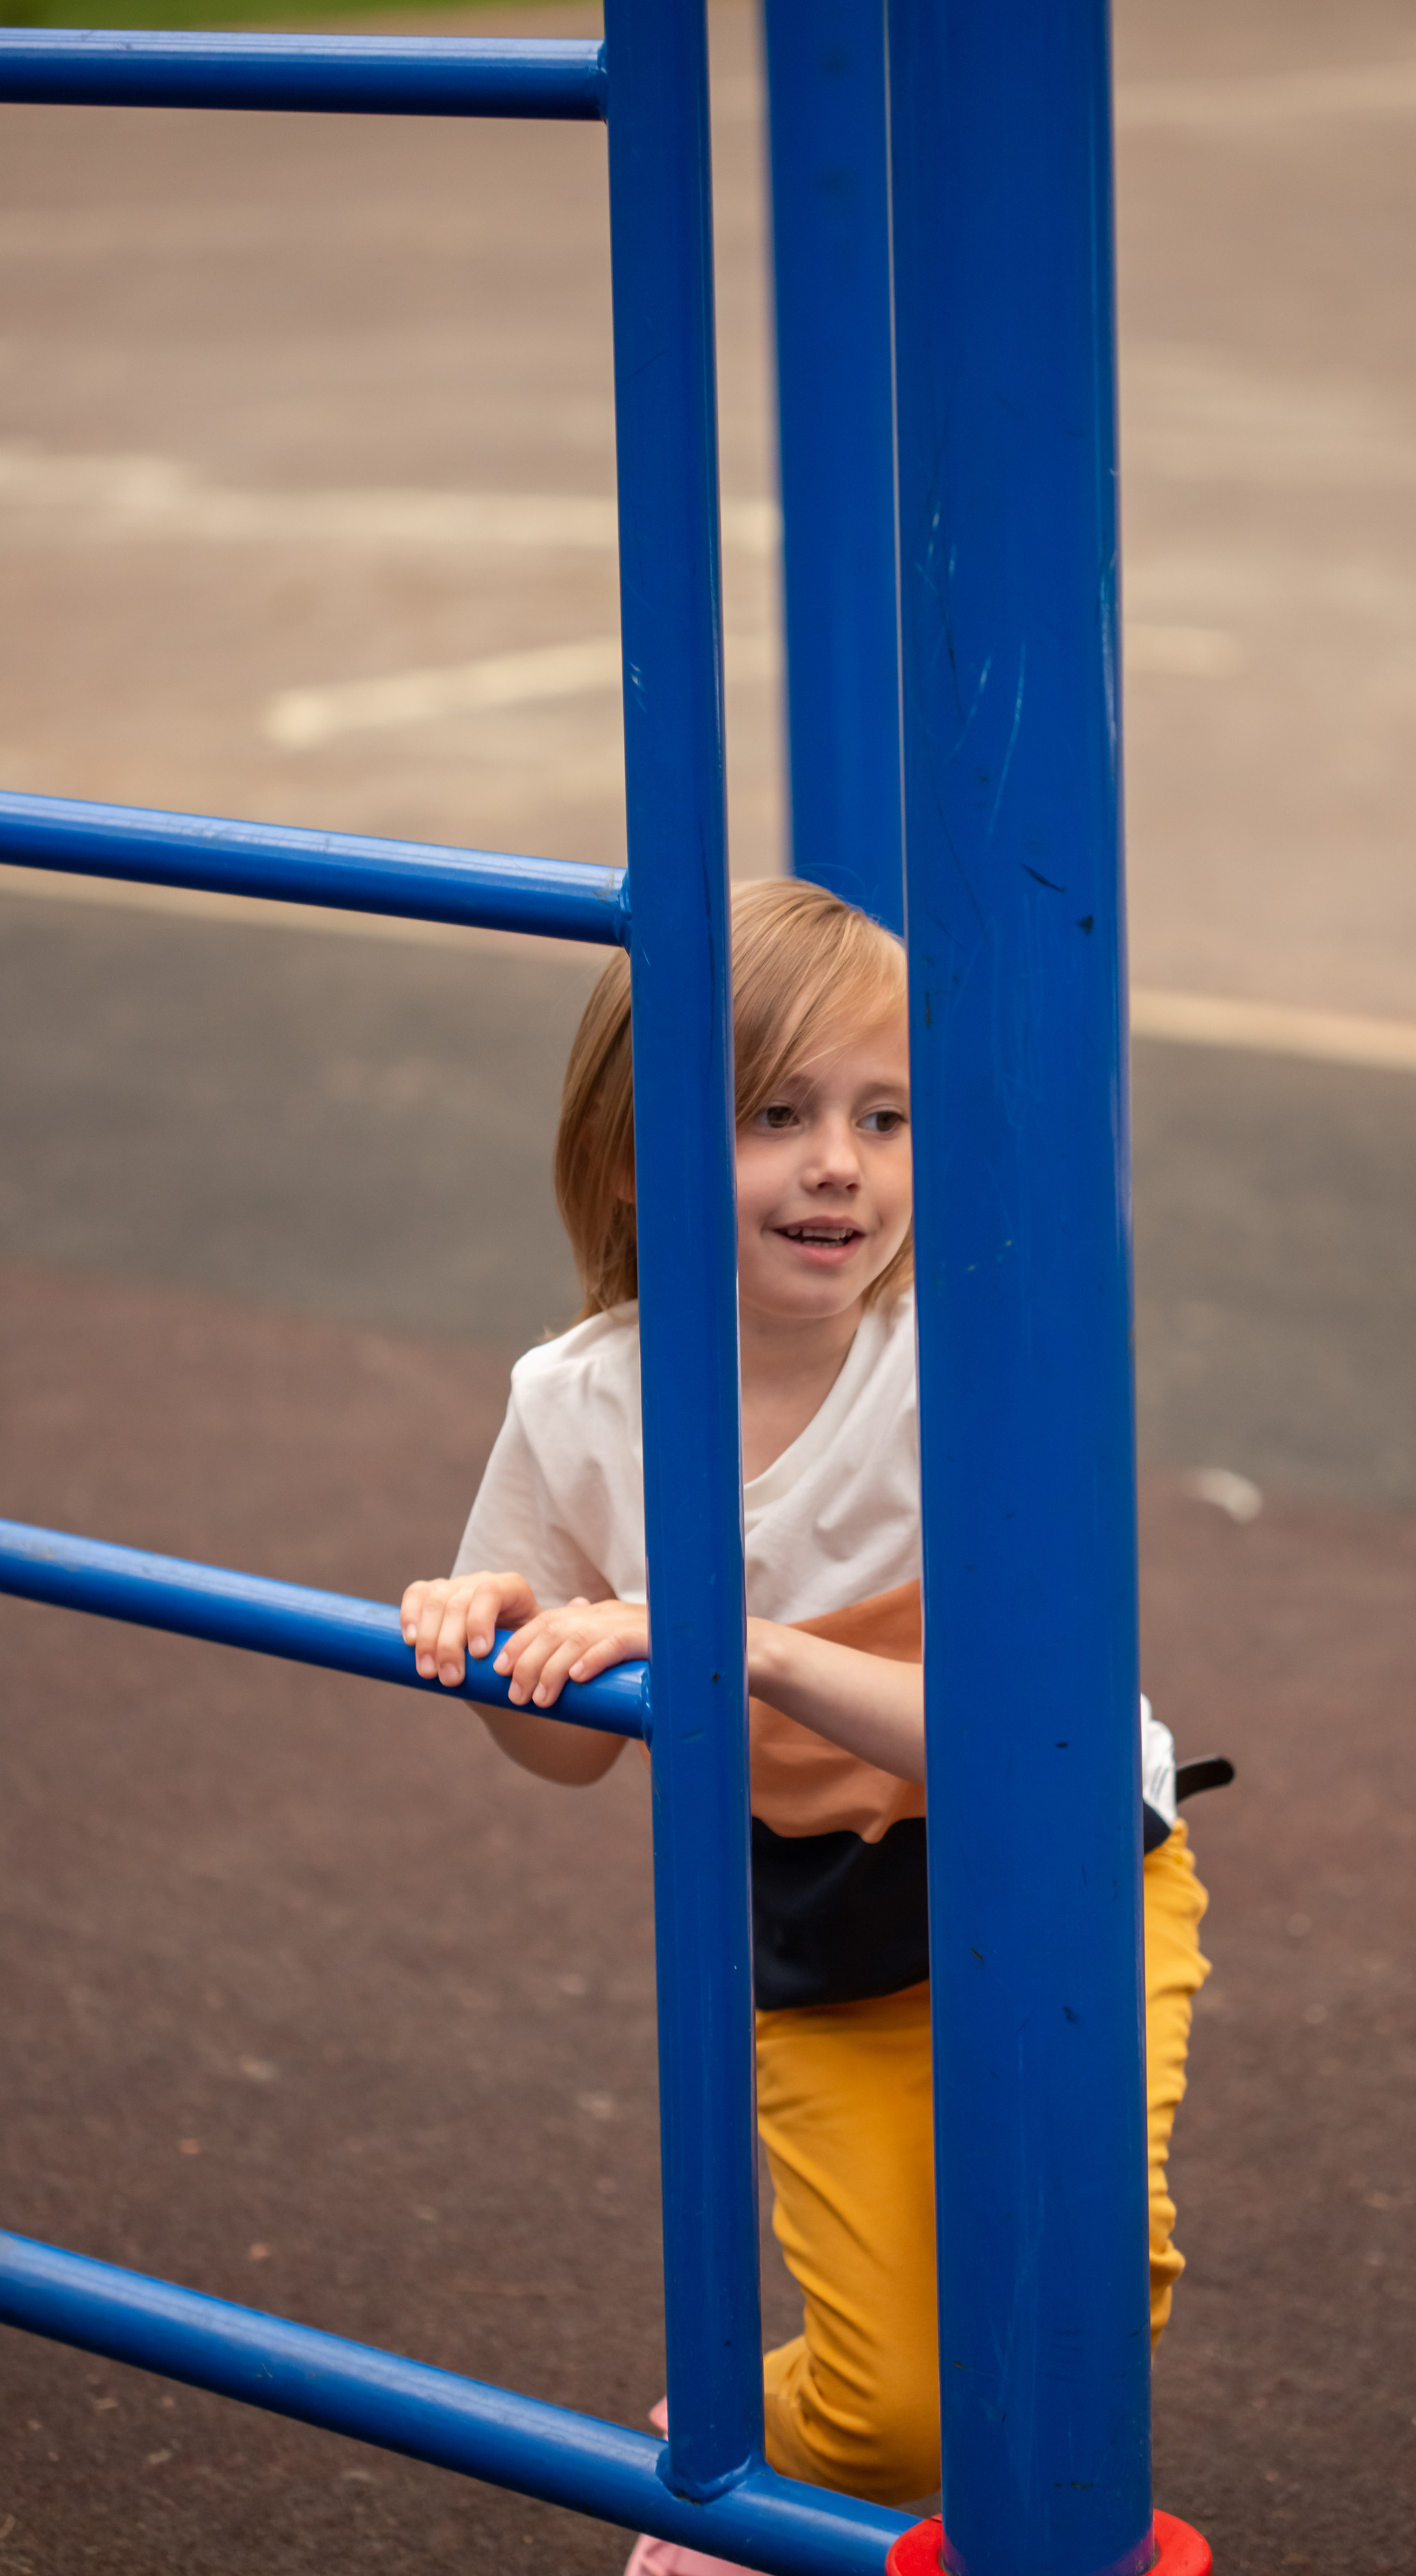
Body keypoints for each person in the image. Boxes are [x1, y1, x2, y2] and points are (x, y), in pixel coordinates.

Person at [400, 879, 1208, 2564]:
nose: (838, 1163)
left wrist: (741, 1649)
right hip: (823, 1939)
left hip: (1063, 1881)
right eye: (774, 1115)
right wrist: (504, 1651)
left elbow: (1020, 1756)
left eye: (883, 1117)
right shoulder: (579, 1406)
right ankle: (740, 2448)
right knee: (899, 2408)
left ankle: (858, 2487)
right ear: (637, 1150)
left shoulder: (959, 1375)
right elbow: (565, 1754)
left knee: (1074, 2306)